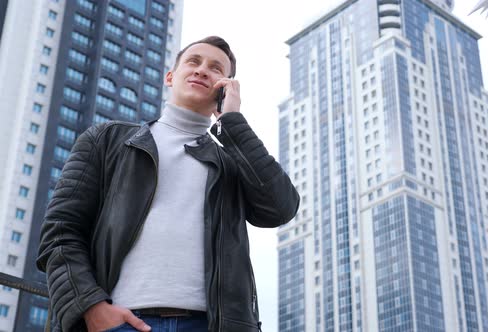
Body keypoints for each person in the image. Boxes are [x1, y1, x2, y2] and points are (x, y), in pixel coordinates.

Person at [36, 36, 299, 332]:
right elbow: (60, 231)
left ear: (225, 88)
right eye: (193, 61)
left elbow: (281, 208)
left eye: (215, 68)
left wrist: (233, 122)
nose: (202, 70)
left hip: (210, 325)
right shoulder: (106, 140)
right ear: (170, 76)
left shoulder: (232, 163)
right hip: (118, 322)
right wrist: (90, 307)